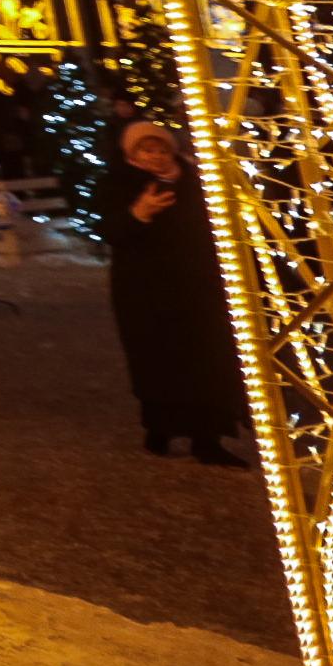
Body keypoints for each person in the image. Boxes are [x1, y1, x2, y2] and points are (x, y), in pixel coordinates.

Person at [96, 120, 244, 463]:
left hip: (199, 285)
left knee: (207, 357)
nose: (156, 157)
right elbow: (109, 229)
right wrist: (138, 214)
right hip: (145, 288)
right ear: (132, 153)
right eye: (147, 150)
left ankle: (208, 440)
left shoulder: (194, 180)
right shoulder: (117, 183)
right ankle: (160, 428)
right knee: (158, 358)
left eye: (162, 149)